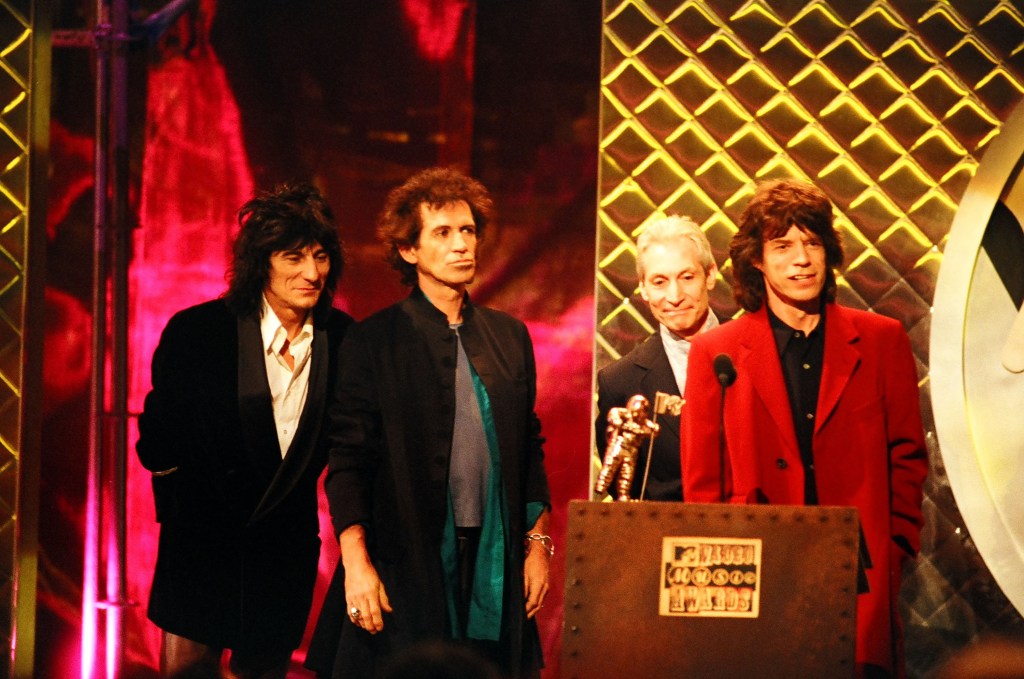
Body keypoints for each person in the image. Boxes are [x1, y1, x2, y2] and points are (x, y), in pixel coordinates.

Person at [305, 167, 552, 678]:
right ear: (409, 250)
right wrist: (356, 564)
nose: (462, 245)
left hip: (493, 564)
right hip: (406, 565)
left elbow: (529, 448)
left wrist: (538, 546)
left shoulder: (510, 337)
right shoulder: (375, 341)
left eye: (468, 230)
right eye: (443, 233)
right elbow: (348, 460)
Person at [681, 178, 928, 678]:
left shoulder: (881, 340)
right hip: (756, 572)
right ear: (757, 259)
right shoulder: (718, 351)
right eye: (783, 246)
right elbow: (702, 484)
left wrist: (894, 549)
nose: (802, 259)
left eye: (813, 243)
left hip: (859, 574)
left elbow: (907, 456)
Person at [136, 183, 353, 678]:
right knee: (189, 671)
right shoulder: (199, 331)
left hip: (283, 554)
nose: (311, 272)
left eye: (321, 257)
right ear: (262, 260)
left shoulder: (344, 339)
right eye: (293, 257)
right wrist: (182, 510)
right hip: (200, 548)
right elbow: (158, 440)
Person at [595, 215, 718, 500]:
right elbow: (624, 493)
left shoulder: (755, 352)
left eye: (687, 278)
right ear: (644, 288)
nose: (674, 296)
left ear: (710, 275)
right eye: (660, 282)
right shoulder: (620, 382)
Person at [594, 395, 659, 501]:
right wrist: (617, 422)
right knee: (609, 468)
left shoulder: (643, 422)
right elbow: (613, 413)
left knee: (627, 474)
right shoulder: (624, 414)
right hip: (619, 446)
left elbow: (654, 430)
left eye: (643, 412)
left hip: (632, 452)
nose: (639, 415)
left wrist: (644, 430)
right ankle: (601, 486)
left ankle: (623, 495)